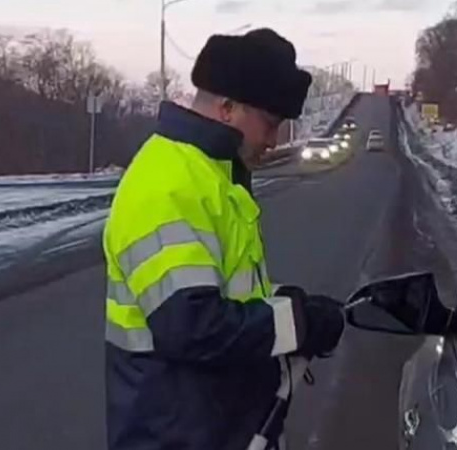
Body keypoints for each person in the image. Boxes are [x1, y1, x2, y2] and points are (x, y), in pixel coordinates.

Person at [103, 28, 345, 450]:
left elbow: (224, 294)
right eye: (270, 124)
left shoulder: (213, 175)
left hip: (216, 429)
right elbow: (192, 326)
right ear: (228, 108)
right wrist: (298, 323)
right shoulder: (168, 184)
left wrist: (287, 305)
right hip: (176, 437)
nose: (273, 141)